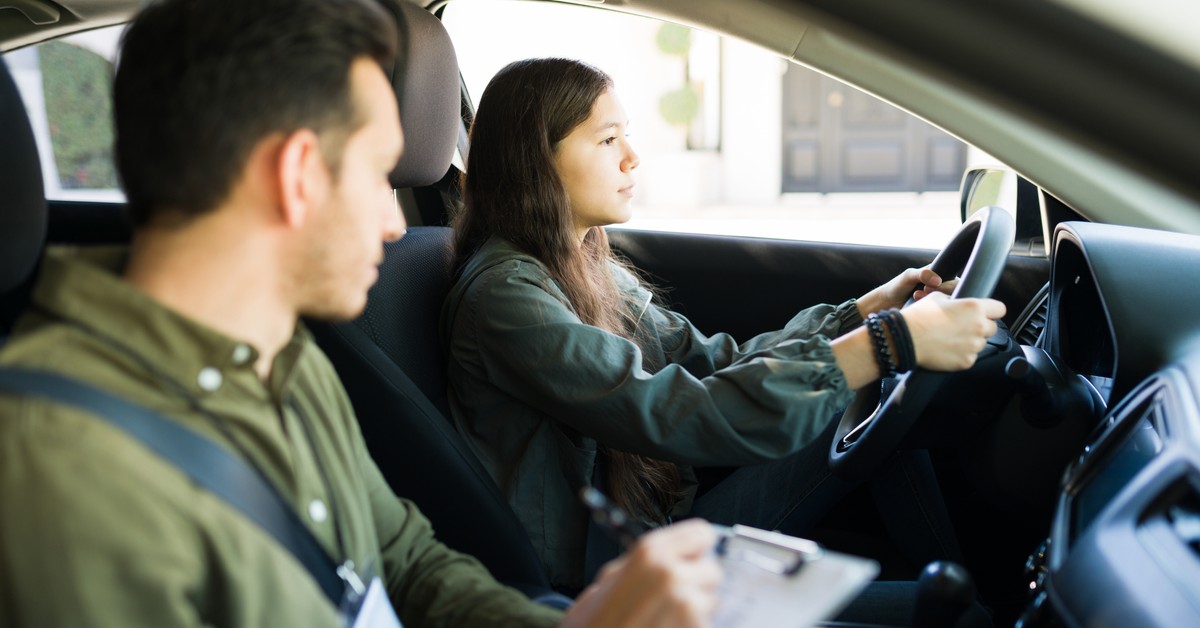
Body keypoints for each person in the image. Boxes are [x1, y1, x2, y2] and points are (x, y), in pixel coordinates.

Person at [0, 2, 723, 626]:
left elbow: (406, 560)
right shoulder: (63, 468)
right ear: (296, 176)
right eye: (379, 176)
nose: (393, 221)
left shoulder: (287, 359)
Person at [442, 57, 1007, 593]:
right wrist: (887, 343)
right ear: (535, 159)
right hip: (615, 579)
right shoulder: (508, 298)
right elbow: (675, 413)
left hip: (658, 530)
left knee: (870, 397)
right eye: (608, 139)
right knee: (934, 610)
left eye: (626, 136)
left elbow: (716, 361)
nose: (632, 157)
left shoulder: (585, 265)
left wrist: (861, 314)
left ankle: (974, 594)